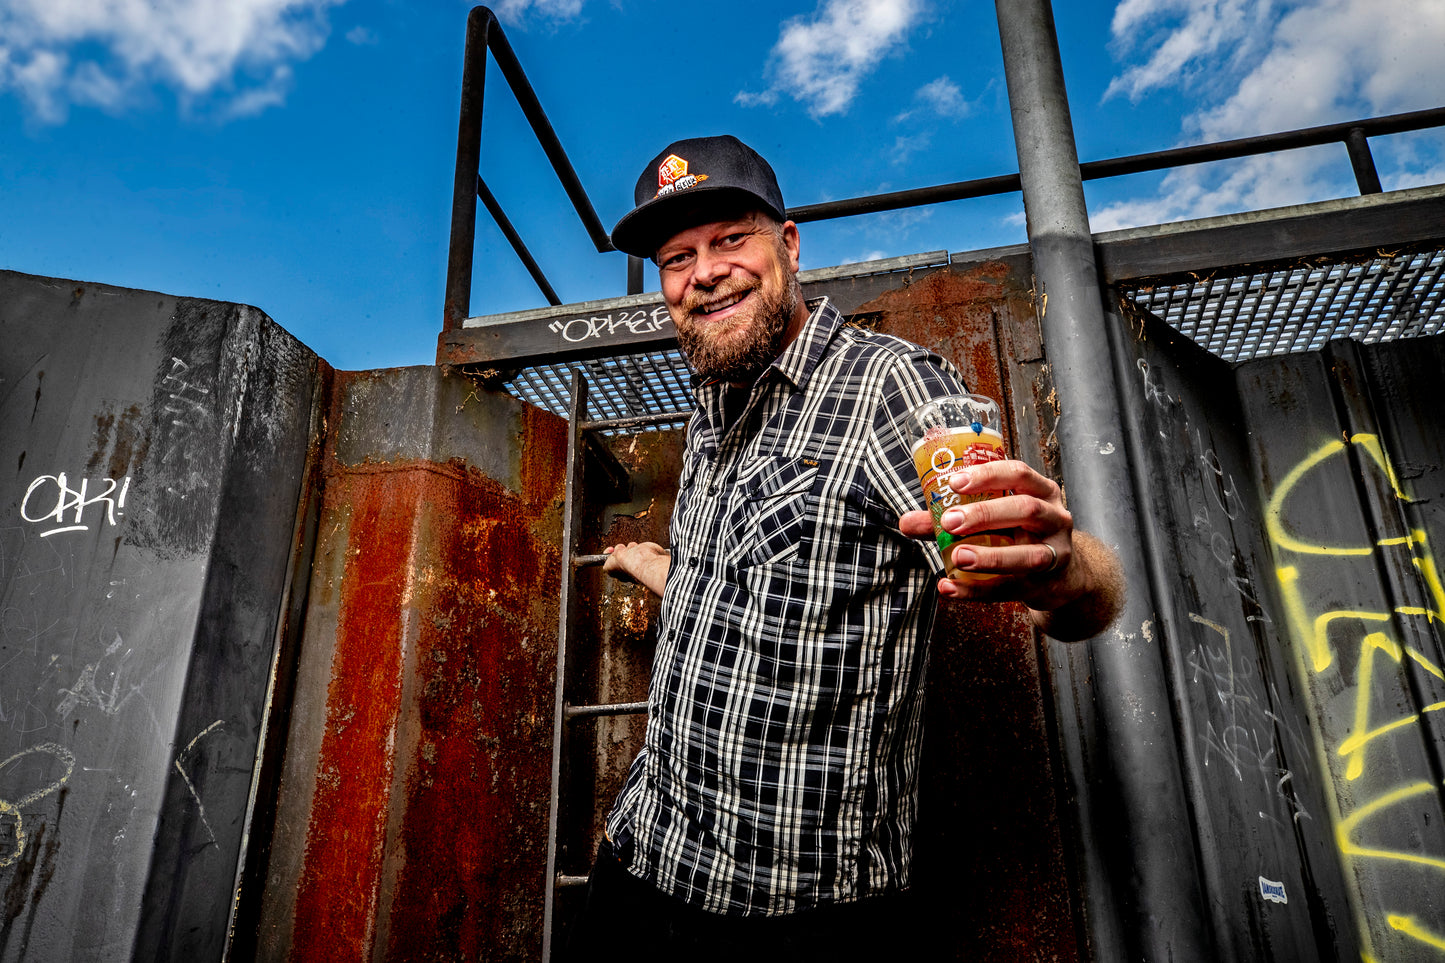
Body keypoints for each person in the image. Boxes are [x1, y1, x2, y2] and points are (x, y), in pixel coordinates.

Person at [567, 135, 1123, 960]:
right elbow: (743, 578)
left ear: (787, 246)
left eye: (729, 239)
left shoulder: (892, 388)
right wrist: (651, 564)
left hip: (797, 918)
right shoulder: (713, 400)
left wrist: (1058, 562)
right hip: (642, 860)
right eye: (676, 258)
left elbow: (1080, 590)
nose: (704, 272)